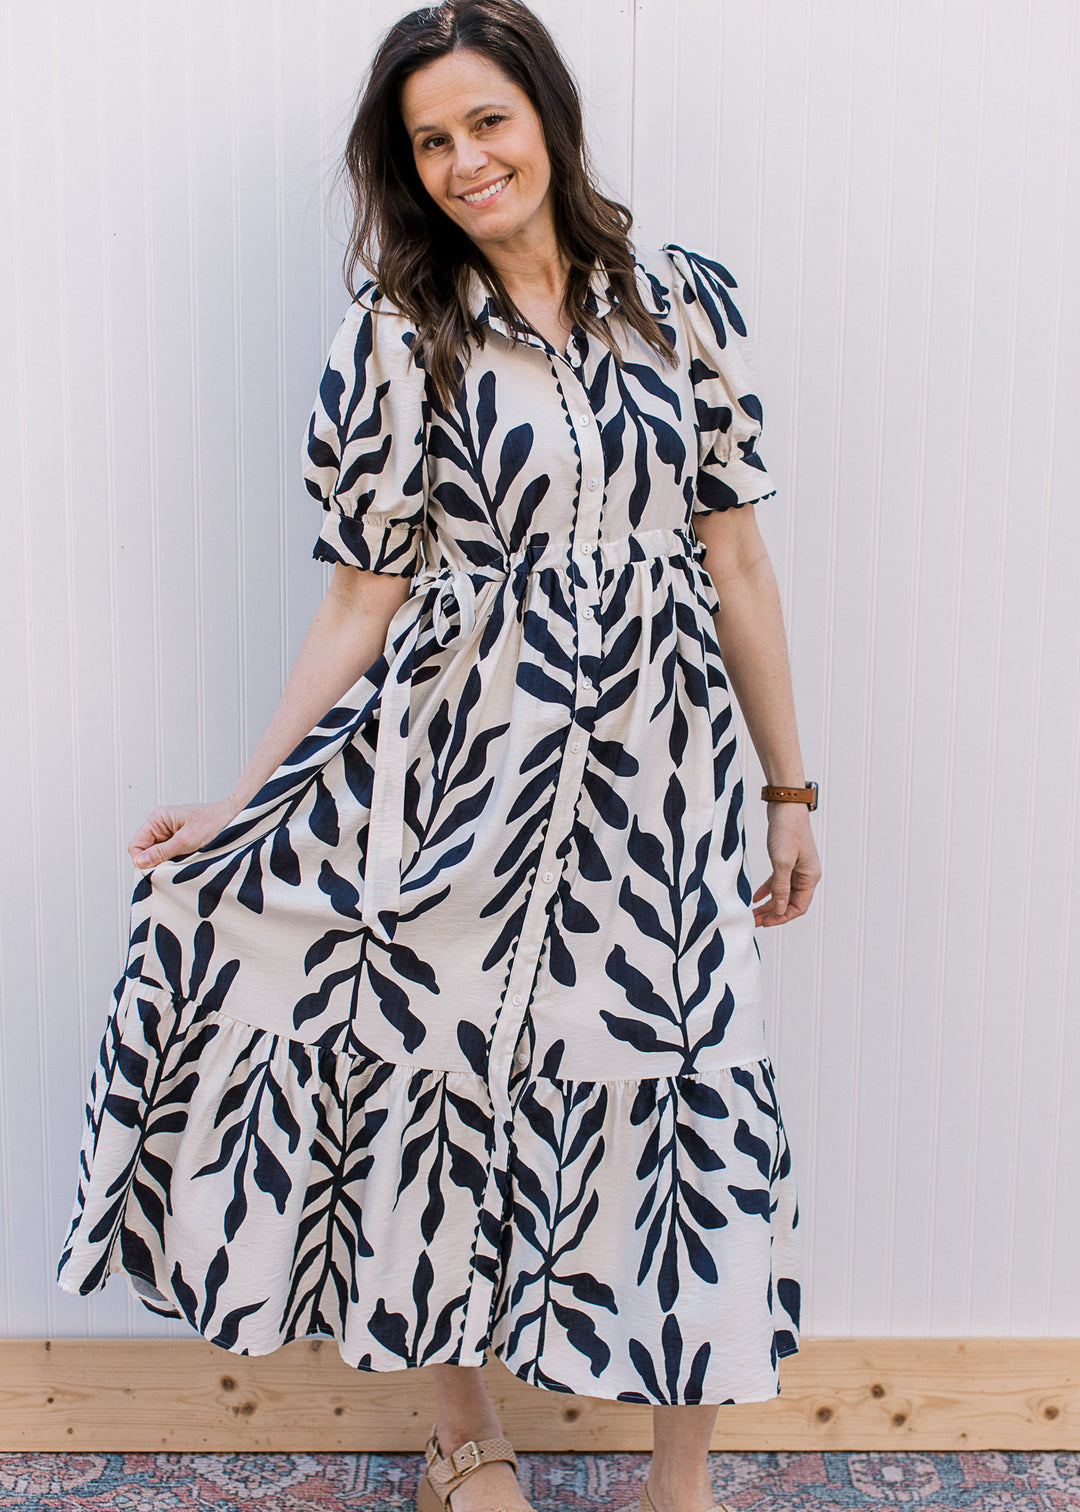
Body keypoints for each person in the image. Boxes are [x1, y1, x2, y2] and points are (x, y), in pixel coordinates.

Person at [57, 2, 821, 1510]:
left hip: (656, 777)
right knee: (433, 1068)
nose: (466, 160)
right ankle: (462, 1430)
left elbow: (737, 564)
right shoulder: (404, 331)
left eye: (487, 120)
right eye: (431, 140)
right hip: (455, 764)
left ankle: (681, 1478)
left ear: (547, 112)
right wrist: (246, 798)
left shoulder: (683, 302)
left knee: (685, 1086)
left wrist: (791, 793)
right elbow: (361, 596)